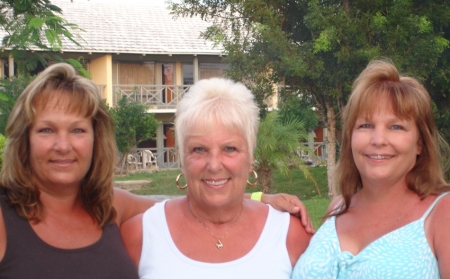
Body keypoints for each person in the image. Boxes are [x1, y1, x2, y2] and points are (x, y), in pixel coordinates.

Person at [0, 63, 312, 278]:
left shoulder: (110, 205)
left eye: (78, 130)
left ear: (96, 139)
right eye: (46, 131)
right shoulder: (5, 217)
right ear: (24, 138)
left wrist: (258, 197)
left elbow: (194, 203)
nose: (63, 145)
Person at [120, 77, 312, 278]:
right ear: (181, 157)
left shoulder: (290, 235)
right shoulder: (140, 235)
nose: (213, 165)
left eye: (229, 149)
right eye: (199, 149)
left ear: (251, 156)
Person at [292, 60, 450, 278]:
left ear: (420, 143)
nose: (378, 140)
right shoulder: (338, 207)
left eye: (396, 127)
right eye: (365, 125)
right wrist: (262, 198)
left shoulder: (442, 213)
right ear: (350, 138)